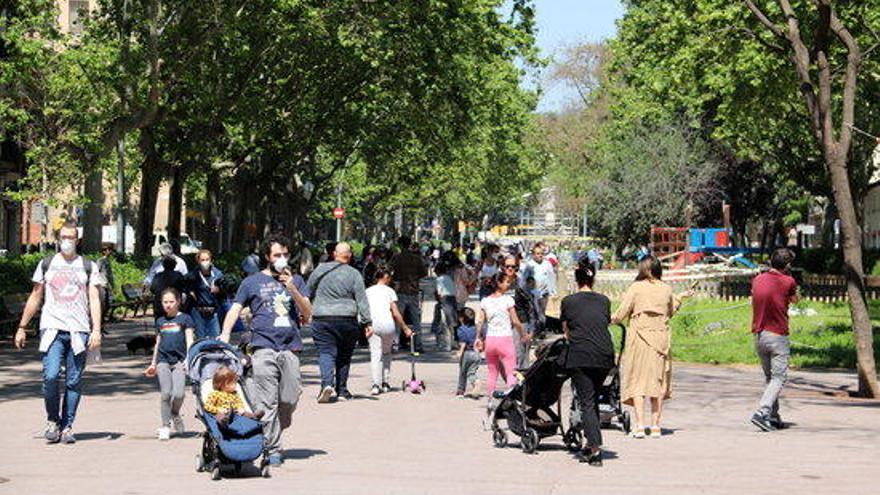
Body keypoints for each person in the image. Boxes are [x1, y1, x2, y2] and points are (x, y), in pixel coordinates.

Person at [220, 234, 312, 466]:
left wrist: (291, 288)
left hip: (290, 347)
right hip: (262, 347)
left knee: (290, 397)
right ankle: (273, 449)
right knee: (267, 402)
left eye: (285, 254)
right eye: (276, 255)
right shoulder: (251, 282)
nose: (282, 259)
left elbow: (308, 314)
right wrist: (225, 333)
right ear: (267, 257)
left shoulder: (297, 280)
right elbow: (235, 309)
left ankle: (278, 428)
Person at [14, 221, 104, 444]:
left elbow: (94, 298)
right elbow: (36, 296)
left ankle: (67, 426)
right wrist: (22, 327)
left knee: (73, 381)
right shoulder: (46, 264)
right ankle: (53, 420)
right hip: (52, 328)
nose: (67, 241)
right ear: (58, 238)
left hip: (78, 330)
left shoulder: (88, 265)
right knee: (51, 376)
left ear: (77, 240)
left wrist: (96, 330)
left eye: (71, 237)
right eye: (63, 237)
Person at [611, 255, 693, 438]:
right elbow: (670, 310)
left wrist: (610, 320)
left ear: (644, 269)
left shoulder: (636, 288)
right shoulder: (666, 289)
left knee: (638, 380)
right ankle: (656, 425)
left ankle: (640, 426)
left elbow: (622, 312)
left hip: (640, 337)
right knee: (658, 380)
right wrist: (680, 297)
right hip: (661, 339)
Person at [560, 265, 615, 466]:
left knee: (587, 402)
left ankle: (595, 450)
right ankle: (591, 442)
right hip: (604, 356)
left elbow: (566, 329)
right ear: (594, 280)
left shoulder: (569, 301)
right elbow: (602, 323)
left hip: (581, 355)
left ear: (577, 280)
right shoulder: (604, 301)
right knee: (592, 400)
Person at [308, 242, 373, 403]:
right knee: (344, 355)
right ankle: (342, 390)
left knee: (326, 352)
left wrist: (303, 312)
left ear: (334, 254)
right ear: (349, 255)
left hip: (322, 317)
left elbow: (307, 291)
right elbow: (361, 300)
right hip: (347, 319)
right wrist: (367, 322)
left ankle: (327, 384)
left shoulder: (319, 270)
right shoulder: (354, 274)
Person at [749, 248, 799, 432]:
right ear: (787, 266)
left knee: (770, 378)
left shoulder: (757, 279)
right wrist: (791, 281)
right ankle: (762, 412)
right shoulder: (788, 281)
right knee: (779, 378)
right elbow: (796, 300)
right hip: (778, 335)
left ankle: (773, 417)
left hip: (759, 334)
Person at [144, 288, 195, 440]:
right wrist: (153, 363)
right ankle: (165, 425)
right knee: (166, 393)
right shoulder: (160, 321)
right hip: (163, 361)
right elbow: (158, 343)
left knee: (179, 394)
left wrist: (189, 359)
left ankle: (175, 413)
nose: (168, 305)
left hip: (179, 361)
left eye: (171, 302)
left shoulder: (185, 319)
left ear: (178, 302)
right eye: (165, 302)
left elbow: (189, 340)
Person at [475, 272, 530, 398]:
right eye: (506, 282)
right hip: (505, 339)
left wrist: (478, 337)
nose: (508, 284)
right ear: (499, 283)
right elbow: (516, 321)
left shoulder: (485, 301)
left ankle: (490, 400)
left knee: (492, 372)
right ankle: (513, 399)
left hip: (490, 340)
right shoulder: (508, 300)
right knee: (511, 371)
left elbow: (480, 321)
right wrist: (523, 334)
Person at [365, 264, 414, 395]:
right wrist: (405, 328)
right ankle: (385, 383)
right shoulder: (390, 291)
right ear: (385, 277)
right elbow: (396, 313)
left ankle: (376, 384)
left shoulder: (368, 291)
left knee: (375, 355)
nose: (390, 280)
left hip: (373, 325)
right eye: (390, 278)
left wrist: (364, 325)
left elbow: (364, 310)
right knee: (386, 353)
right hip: (388, 325)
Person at [390, 236, 428, 352]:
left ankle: (395, 344)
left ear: (400, 245)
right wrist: (414, 278)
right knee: (416, 319)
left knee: (398, 318)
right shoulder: (416, 258)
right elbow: (424, 273)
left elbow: (390, 272)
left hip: (400, 290)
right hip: (413, 290)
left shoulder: (396, 258)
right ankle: (418, 344)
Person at [505, 256, 540, 369]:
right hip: (502, 325)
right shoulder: (498, 283)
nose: (510, 269)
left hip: (520, 323)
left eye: (513, 267)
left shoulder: (522, 284)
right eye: (507, 266)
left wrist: (531, 329)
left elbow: (531, 307)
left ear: (517, 268)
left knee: (519, 357)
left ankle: (521, 384)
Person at [186, 249, 224, 339]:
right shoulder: (192, 275)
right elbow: (185, 286)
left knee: (215, 338)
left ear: (211, 260)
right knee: (201, 338)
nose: (205, 262)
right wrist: (191, 293)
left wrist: (219, 290)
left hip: (214, 311)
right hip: (198, 311)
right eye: (202, 260)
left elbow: (225, 292)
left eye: (207, 259)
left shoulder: (218, 274)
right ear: (198, 261)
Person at [522, 245, 556, 318]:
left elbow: (551, 277)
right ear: (533, 255)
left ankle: (542, 326)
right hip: (533, 293)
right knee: (534, 312)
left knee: (543, 312)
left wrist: (553, 291)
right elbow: (524, 279)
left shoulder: (547, 264)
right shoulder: (529, 265)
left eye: (541, 253)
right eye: (538, 253)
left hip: (544, 293)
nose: (540, 255)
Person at [456, 307, 480, 398]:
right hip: (476, 354)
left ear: (462, 318)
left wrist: (460, 353)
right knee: (471, 372)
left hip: (467, 353)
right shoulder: (476, 328)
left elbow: (463, 343)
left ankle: (460, 391)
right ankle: (476, 381)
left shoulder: (461, 329)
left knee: (463, 373)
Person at [96, 243, 115, 322]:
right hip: (102, 285)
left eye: (111, 250)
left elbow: (109, 275)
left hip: (106, 285)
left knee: (107, 305)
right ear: (104, 251)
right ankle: (99, 323)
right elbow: (96, 272)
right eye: (108, 250)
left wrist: (113, 285)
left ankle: (102, 322)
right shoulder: (100, 260)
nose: (110, 252)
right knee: (103, 305)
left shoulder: (107, 260)